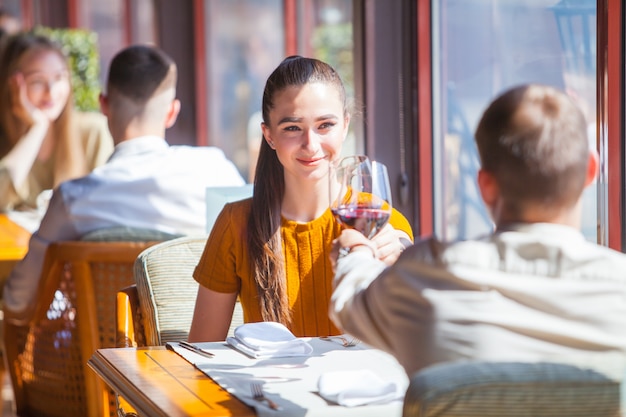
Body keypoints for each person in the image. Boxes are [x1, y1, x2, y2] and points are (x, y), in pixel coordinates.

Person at [329, 84, 626, 378]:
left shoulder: (427, 278)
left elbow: (350, 306)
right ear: (591, 170)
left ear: (484, 185)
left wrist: (355, 251)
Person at [4, 44, 245, 325]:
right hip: (202, 358)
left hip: (104, 364)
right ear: (172, 112)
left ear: (103, 105)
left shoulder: (73, 199)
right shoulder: (216, 172)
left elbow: (17, 302)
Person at [188, 56, 414, 342]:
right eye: (292, 128)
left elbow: (416, 344)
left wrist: (404, 263)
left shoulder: (383, 221)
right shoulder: (236, 223)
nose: (311, 144)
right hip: (264, 386)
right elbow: (201, 351)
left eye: (325, 125)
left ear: (345, 126)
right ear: (268, 135)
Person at [0, 32, 114, 211]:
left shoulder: (93, 131)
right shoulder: (4, 137)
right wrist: (37, 128)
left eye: (59, 77)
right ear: (11, 85)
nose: (51, 92)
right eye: (37, 81)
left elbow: (108, 205)